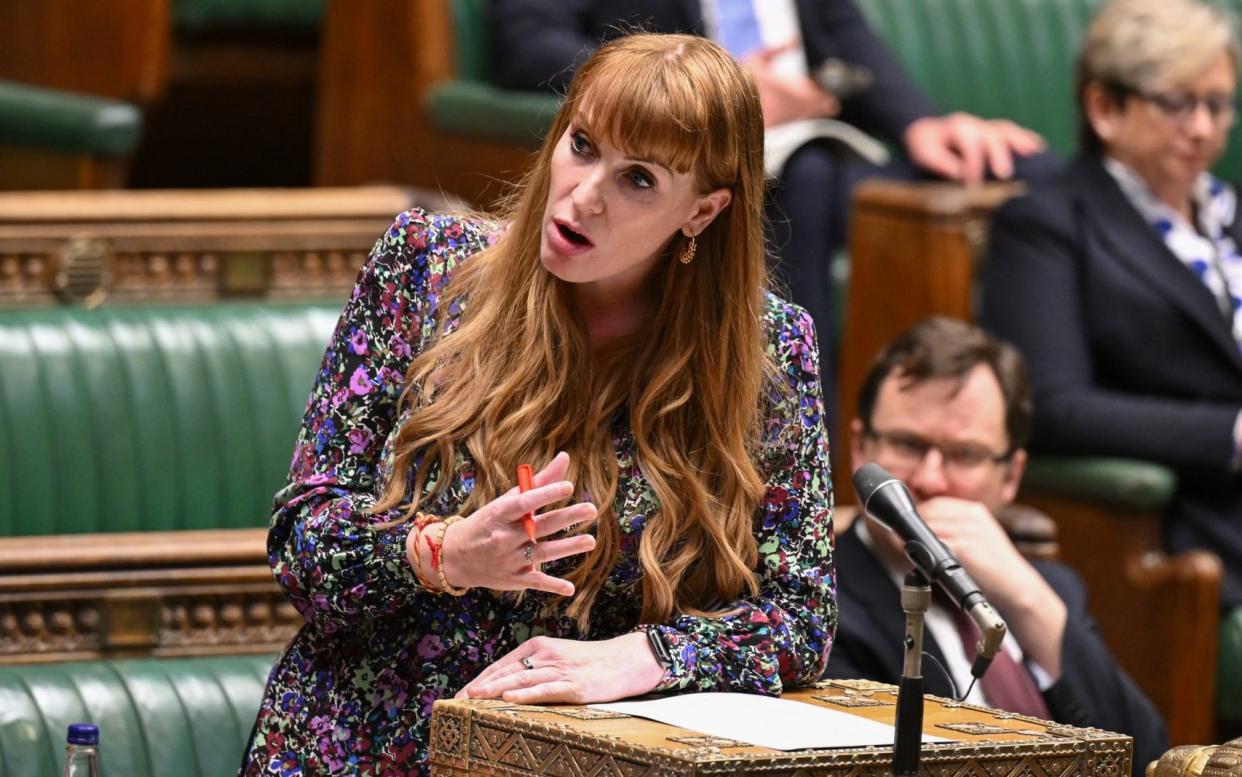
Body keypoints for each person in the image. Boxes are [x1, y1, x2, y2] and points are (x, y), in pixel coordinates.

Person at [238, 33, 835, 776]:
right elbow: (302, 539)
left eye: (638, 179)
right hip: (366, 741)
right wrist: (445, 553)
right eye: (582, 145)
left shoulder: (768, 350)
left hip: (582, 756)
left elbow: (800, 618)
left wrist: (638, 656)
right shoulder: (423, 267)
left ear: (703, 211)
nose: (585, 194)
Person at [486, 0, 1054, 432]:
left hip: (813, 136)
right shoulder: (429, 255)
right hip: (693, 146)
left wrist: (921, 125)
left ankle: (1004, 441)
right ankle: (827, 470)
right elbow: (528, 41)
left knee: (1027, 171)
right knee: (807, 176)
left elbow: (841, 31)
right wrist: (711, 99)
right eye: (577, 147)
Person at [980, 0, 1242, 606]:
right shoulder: (1049, 223)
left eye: (1218, 105)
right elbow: (1051, 404)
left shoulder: (1230, 214)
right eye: (1177, 103)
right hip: (1188, 511)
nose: (1203, 128)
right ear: (1104, 107)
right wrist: (1229, 433)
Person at [823, 317, 1166, 776]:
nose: (929, 478)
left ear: (1012, 476)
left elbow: (1149, 759)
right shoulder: (822, 609)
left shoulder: (1050, 588)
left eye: (964, 454)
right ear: (860, 448)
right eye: (907, 444)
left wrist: (1028, 600)